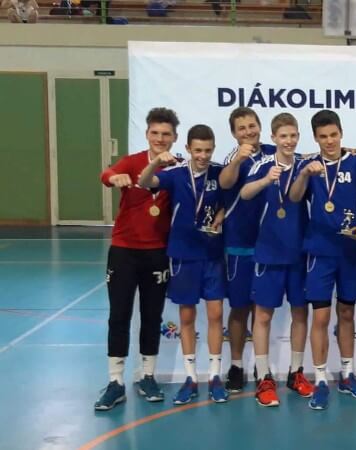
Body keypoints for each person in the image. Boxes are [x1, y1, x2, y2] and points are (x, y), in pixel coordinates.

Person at [94, 107, 179, 411]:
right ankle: (115, 382)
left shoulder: (177, 167)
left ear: (174, 137)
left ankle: (148, 376)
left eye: (166, 134)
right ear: (146, 134)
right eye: (155, 133)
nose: (160, 138)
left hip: (157, 251)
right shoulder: (132, 162)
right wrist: (113, 175)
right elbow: (106, 175)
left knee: (152, 315)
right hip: (124, 250)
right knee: (119, 315)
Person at [289, 109, 356, 410]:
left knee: (347, 313)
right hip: (319, 252)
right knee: (321, 318)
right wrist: (304, 174)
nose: (329, 141)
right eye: (323, 136)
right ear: (315, 138)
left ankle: (348, 375)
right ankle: (321, 379)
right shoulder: (308, 165)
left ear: (341, 133)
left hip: (350, 251)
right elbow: (295, 197)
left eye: (333, 135)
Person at [138, 124, 229, 405]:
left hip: (212, 254)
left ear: (213, 149)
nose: (203, 156)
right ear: (188, 148)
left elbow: (229, 201)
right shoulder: (176, 173)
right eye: (198, 150)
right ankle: (190, 378)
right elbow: (144, 182)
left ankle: (214, 376)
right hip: (183, 255)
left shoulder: (219, 173)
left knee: (216, 315)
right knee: (187, 318)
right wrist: (156, 160)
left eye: (208, 150)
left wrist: (221, 216)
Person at [240, 113, 314, 406]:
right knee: (262, 316)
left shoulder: (305, 166)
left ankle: (296, 373)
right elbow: (244, 194)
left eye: (293, 135)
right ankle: (263, 377)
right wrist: (264, 181)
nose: (289, 141)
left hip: (298, 252)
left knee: (300, 314)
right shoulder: (261, 165)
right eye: (283, 136)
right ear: (273, 138)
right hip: (268, 252)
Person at [218, 107, 277, 393]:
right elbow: (225, 182)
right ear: (234, 133)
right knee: (240, 307)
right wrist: (238, 160)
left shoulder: (272, 153)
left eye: (252, 126)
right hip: (239, 243)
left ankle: (261, 365)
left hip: (268, 243)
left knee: (262, 308)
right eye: (241, 128)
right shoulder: (233, 158)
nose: (248, 131)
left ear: (260, 127)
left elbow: (301, 160)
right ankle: (236, 365)